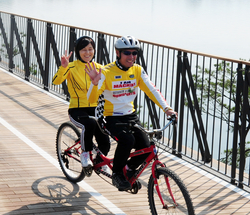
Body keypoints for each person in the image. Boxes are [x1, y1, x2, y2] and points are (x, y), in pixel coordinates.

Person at [86, 35, 177, 191]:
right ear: (117, 53)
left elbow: (152, 90)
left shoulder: (137, 70)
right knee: (127, 140)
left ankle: (127, 170)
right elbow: (91, 99)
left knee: (145, 146)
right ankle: (117, 174)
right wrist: (94, 84)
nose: (131, 56)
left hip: (130, 116)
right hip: (109, 117)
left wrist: (167, 109)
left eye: (135, 53)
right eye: (127, 52)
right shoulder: (105, 72)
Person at [52, 36, 111, 175]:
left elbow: (108, 88)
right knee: (89, 124)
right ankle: (85, 154)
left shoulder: (100, 68)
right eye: (83, 50)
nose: (87, 53)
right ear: (77, 51)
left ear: (94, 50)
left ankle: (99, 162)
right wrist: (63, 67)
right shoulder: (71, 67)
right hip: (77, 109)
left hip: (96, 109)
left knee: (105, 138)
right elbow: (55, 81)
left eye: (90, 49)